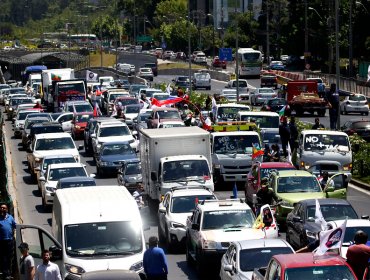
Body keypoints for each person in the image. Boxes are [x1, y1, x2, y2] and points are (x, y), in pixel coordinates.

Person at [0, 203, 16, 280]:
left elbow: (15, 225)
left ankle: (9, 273)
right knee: (4, 258)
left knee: (10, 257)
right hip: (2, 242)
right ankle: (5, 274)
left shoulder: (10, 217)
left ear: (7, 209)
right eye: (1, 208)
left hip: (10, 241)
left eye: (4, 208)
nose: (2, 209)